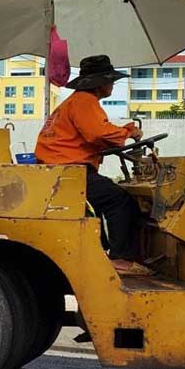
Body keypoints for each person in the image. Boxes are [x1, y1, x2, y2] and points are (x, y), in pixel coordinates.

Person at [35, 55, 149, 276]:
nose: (113, 85)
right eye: (111, 81)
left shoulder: (73, 102)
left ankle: (105, 251)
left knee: (104, 200)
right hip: (69, 170)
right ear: (100, 83)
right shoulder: (85, 101)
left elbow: (92, 136)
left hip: (59, 168)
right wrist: (128, 131)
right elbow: (98, 133)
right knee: (121, 202)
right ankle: (122, 260)